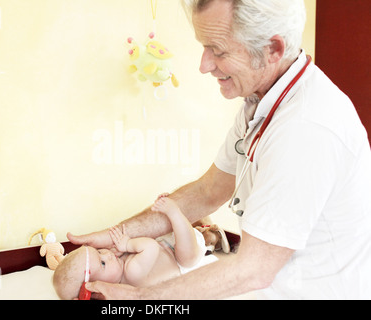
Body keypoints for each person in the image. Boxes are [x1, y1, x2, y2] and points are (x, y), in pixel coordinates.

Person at [68, 0, 371, 299]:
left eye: (219, 50)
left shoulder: (306, 129)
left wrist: (137, 300)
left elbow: (253, 269)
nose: (203, 65)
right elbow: (209, 190)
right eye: (204, 46)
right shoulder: (261, 100)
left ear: (273, 49)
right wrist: (117, 234)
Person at [54, 195, 215, 299]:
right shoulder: (131, 272)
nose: (107, 255)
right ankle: (176, 213)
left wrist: (123, 249)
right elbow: (150, 247)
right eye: (102, 263)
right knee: (188, 258)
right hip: (179, 258)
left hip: (169, 244)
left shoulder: (120, 268)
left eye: (99, 252)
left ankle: (207, 231)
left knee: (192, 236)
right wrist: (127, 244)